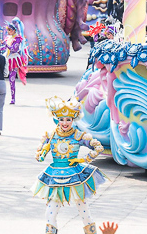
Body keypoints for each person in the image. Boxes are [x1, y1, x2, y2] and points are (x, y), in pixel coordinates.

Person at [32, 96, 106, 234]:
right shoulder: (51, 135)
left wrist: (82, 160)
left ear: (73, 120)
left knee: (84, 211)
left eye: (68, 120)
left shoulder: (78, 135)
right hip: (54, 177)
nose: (65, 122)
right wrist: (41, 154)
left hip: (74, 177)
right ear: (57, 119)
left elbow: (98, 148)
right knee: (49, 213)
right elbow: (40, 156)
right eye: (61, 119)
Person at [2, 17, 29, 105]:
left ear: (14, 30)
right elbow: (5, 47)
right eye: (7, 30)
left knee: (11, 79)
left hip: (13, 60)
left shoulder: (18, 38)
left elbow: (14, 49)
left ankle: (13, 98)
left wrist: (5, 45)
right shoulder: (8, 37)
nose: (8, 31)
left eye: (9, 30)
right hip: (6, 58)